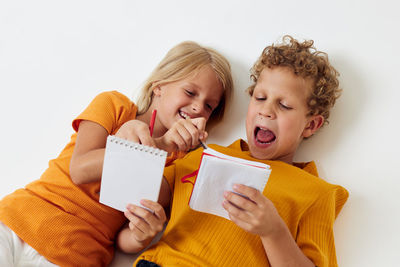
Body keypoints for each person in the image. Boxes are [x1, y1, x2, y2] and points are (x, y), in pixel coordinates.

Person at [119, 35, 348, 267]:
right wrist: (139, 136)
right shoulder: (204, 154)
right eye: (260, 98)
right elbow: (134, 189)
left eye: (284, 105)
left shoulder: (316, 193)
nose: (266, 111)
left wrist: (273, 232)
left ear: (310, 125)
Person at [0, 41, 233, 266]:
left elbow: (123, 238)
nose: (197, 108)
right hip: (17, 222)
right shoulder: (114, 105)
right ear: (159, 85)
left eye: (209, 106)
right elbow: (80, 169)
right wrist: (160, 144)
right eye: (191, 92)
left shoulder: (181, 167)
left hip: (76, 256)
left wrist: (140, 236)